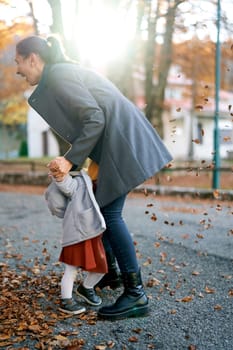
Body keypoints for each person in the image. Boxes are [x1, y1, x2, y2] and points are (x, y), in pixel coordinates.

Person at [15, 35, 173, 320]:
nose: (17, 70)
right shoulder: (60, 74)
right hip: (115, 143)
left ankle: (135, 294)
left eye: (19, 63)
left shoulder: (60, 76)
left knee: (110, 214)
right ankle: (110, 273)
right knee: (101, 209)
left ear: (32, 59)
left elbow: (94, 118)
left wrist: (70, 159)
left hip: (120, 143)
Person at [45, 165, 108, 315]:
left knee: (101, 267)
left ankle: (86, 288)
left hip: (91, 231)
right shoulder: (72, 181)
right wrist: (59, 175)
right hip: (77, 232)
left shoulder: (82, 176)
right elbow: (65, 184)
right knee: (71, 269)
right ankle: (66, 300)